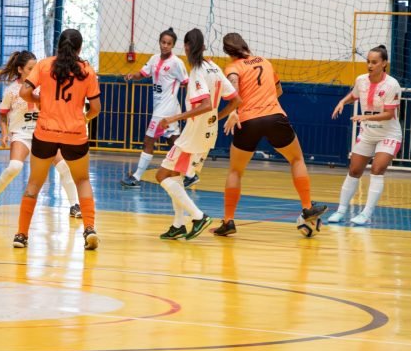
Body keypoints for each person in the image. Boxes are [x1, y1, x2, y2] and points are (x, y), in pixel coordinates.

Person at [213, 32, 327, 237]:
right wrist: (264, 100)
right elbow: (279, 91)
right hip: (274, 117)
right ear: (245, 45)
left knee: (235, 171)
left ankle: (228, 221)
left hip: (248, 121)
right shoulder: (265, 62)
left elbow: (234, 91)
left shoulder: (232, 68)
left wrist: (231, 112)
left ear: (227, 51)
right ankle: (307, 207)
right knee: (296, 159)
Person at [13, 29, 101, 250]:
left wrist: (39, 100)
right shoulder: (87, 71)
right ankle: (89, 229)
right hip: (75, 134)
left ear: (58, 45)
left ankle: (21, 235)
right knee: (82, 180)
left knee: (34, 183)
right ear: (79, 48)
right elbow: (96, 108)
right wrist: (84, 118)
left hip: (45, 132)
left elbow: (23, 92)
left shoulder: (44, 65)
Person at [154, 28, 241, 240]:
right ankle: (178, 225)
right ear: (202, 47)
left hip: (193, 136)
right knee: (175, 176)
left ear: (186, 47)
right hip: (208, 133)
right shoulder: (214, 67)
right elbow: (236, 100)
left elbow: (205, 104)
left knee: (162, 175)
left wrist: (173, 118)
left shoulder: (197, 71)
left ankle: (198, 216)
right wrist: (217, 118)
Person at [0, 50, 82, 218]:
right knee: (15, 166)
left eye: (36, 68)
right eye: (30, 69)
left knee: (64, 166)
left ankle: (74, 205)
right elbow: (3, 114)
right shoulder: (11, 91)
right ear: (20, 69)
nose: (34, 72)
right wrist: (4, 133)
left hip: (44, 134)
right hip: (21, 134)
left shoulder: (45, 86)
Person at [327, 45, 401, 225]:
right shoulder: (361, 80)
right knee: (354, 171)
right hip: (367, 134)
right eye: (368, 61)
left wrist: (364, 117)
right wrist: (342, 101)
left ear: (384, 63)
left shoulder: (392, 85)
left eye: (374, 62)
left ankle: (366, 214)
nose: (370, 65)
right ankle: (341, 211)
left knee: (377, 169)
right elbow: (354, 95)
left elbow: (389, 114)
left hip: (388, 134)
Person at [120, 28, 198, 189]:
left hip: (166, 110)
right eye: (163, 42)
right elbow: (142, 74)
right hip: (162, 108)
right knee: (174, 142)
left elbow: (186, 83)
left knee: (148, 140)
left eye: (169, 43)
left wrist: (193, 106)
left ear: (173, 45)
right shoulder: (154, 59)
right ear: (159, 42)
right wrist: (132, 76)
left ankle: (136, 177)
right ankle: (191, 174)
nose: (165, 46)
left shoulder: (177, 63)